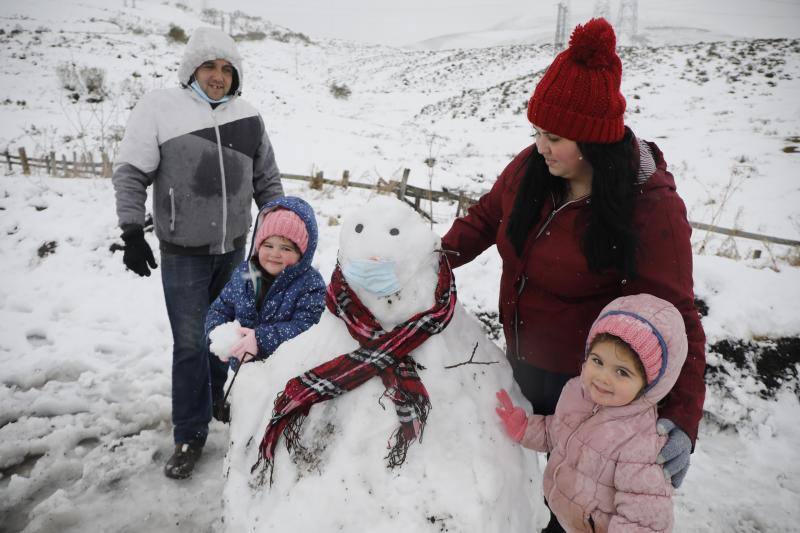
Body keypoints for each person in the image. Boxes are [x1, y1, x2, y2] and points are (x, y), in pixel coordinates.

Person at [441, 18, 705, 530]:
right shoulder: (532, 170)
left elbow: (677, 316)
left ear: (593, 140)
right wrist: (428, 261)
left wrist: (683, 417)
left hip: (593, 386)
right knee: (514, 478)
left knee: (576, 502)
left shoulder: (648, 208)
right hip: (522, 359)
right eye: (536, 131)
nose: (541, 144)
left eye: (555, 136)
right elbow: (484, 219)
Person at [111, 26, 284, 479]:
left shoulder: (249, 117)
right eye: (209, 66)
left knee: (226, 335)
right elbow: (130, 171)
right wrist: (132, 231)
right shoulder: (159, 109)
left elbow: (268, 182)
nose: (218, 76)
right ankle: (189, 433)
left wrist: (278, 232)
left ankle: (217, 402)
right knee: (190, 344)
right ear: (192, 68)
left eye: (227, 69)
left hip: (236, 252)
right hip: (182, 252)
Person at [496, 293, 687, 532]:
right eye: (598, 361)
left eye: (622, 372)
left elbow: (644, 522)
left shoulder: (642, 443)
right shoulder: (577, 393)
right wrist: (525, 428)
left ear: (648, 384)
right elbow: (558, 433)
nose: (603, 377)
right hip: (562, 514)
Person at [205, 196, 326, 375]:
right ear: (258, 245)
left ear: (302, 254)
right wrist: (219, 335)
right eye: (268, 245)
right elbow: (220, 309)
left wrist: (260, 340)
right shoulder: (245, 275)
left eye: (286, 248)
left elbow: (307, 327)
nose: (274, 254)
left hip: (284, 374)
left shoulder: (310, 285)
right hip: (242, 371)